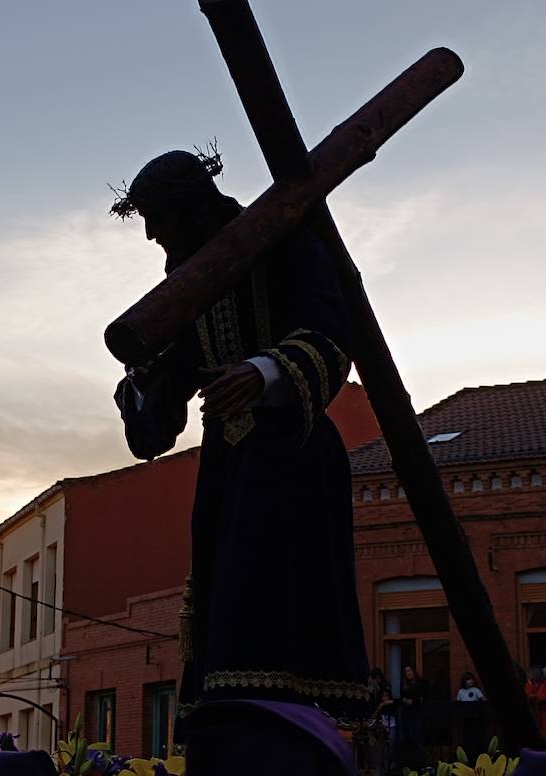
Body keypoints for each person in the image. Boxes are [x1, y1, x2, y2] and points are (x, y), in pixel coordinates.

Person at [111, 149, 369, 776]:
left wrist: (265, 373)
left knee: (279, 597)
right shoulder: (189, 280)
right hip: (228, 466)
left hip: (295, 456)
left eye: (158, 218)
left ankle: (287, 741)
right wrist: (143, 375)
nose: (150, 234)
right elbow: (161, 410)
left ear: (192, 206)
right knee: (227, 608)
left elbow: (333, 334)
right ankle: (233, 737)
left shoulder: (282, 234)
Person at [397, 666, 429, 769]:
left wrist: (413, 701)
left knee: (418, 738)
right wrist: (405, 700)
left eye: (409, 670)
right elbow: (402, 697)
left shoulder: (421, 683)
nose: (408, 673)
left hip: (418, 713)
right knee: (409, 737)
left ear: (413, 671)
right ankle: (410, 764)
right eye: (405, 671)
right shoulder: (404, 684)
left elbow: (423, 698)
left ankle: (421, 764)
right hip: (407, 714)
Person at [456, 672, 487, 755]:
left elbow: (483, 700)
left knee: (476, 736)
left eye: (472, 679)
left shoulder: (476, 690)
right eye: (468, 679)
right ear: (464, 681)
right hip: (465, 717)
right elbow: (458, 703)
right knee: (466, 737)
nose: (471, 681)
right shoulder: (461, 691)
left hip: (476, 717)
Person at [523, 665, 546, 749]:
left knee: (545, 732)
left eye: (529, 673)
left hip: (544, 712)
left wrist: (535, 696)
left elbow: (545, 696)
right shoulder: (529, 683)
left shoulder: (545, 683)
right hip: (534, 712)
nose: (528, 675)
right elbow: (527, 694)